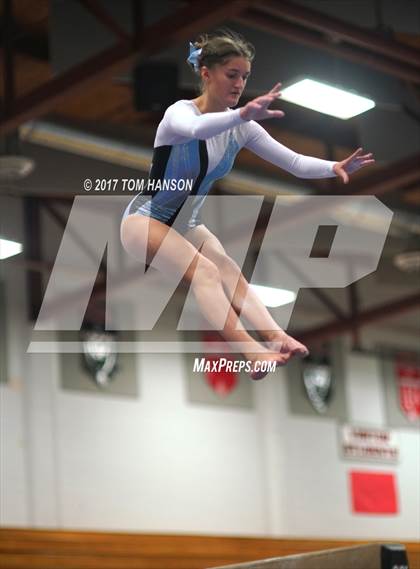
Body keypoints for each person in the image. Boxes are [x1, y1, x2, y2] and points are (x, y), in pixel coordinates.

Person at [121, 30, 375, 380]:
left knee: (228, 268)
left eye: (245, 77)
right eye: (232, 74)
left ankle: (275, 336)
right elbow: (196, 130)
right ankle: (251, 351)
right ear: (206, 74)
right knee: (205, 272)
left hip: (187, 223)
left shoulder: (242, 128)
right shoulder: (178, 114)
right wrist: (241, 116)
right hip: (145, 219)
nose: (239, 84)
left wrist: (332, 167)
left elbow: (296, 163)